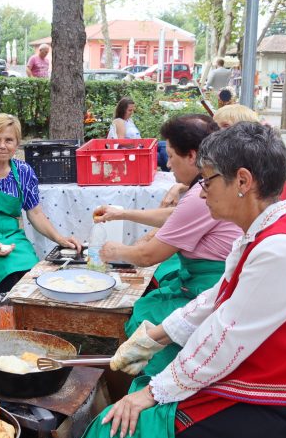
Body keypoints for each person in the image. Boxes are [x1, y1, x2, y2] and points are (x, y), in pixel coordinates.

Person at [76, 122, 286, 438]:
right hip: (276, 376)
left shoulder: (283, 249)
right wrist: (153, 338)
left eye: (208, 180)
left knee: (128, 430)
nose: (202, 191)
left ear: (242, 181)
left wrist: (152, 393)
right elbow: (215, 300)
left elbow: (223, 339)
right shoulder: (262, 233)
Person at [94, 114, 242, 375]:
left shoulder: (201, 194)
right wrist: (122, 214)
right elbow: (178, 216)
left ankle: (152, 380)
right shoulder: (205, 188)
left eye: (172, 156)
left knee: (146, 315)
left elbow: (148, 255)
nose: (169, 164)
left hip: (210, 286)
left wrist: (113, 251)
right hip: (212, 281)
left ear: (193, 156)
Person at [0, 114, 82, 327]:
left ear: (17, 143)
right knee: (7, 274)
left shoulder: (24, 172)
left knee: (31, 273)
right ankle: (5, 336)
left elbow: (36, 214)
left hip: (10, 235)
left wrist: (61, 239)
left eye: (8, 140)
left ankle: (24, 329)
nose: (2, 145)